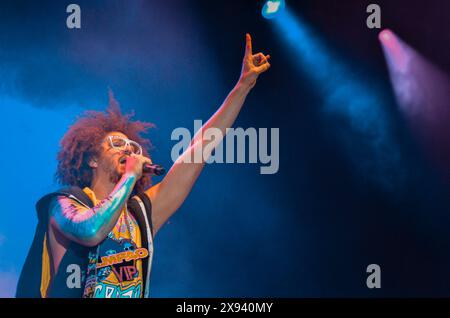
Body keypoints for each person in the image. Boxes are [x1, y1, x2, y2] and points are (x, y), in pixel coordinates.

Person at [16, 34, 270, 298]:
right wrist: (129, 177)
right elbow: (90, 231)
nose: (128, 149)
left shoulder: (139, 216)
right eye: (116, 144)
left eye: (133, 148)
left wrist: (241, 88)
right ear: (91, 159)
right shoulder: (63, 203)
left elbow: (199, 151)